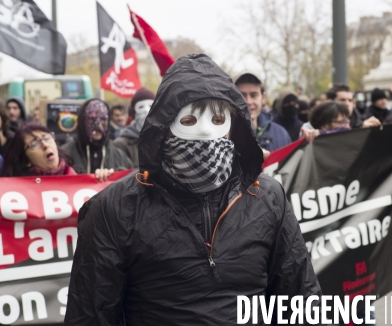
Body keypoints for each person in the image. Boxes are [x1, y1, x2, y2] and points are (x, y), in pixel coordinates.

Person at [65, 54, 321, 325]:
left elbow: (300, 300)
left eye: (217, 118)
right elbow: (91, 313)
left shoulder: (267, 196)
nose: (205, 134)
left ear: (234, 125)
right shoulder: (115, 208)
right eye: (188, 121)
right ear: (164, 126)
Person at [61, 98, 132, 175]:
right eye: (91, 119)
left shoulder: (119, 157)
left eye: (103, 119)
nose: (98, 125)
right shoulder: (66, 154)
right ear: (82, 121)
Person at [234, 72, 292, 156]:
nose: (248, 102)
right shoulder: (221, 136)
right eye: (241, 96)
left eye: (254, 95)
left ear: (263, 97)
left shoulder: (281, 134)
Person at [0, 123, 76, 177]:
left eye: (46, 137)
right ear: (26, 161)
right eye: (35, 144)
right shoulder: (16, 192)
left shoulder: (79, 181)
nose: (45, 145)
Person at [113, 88, 155, 167]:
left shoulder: (165, 141)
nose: (146, 110)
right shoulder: (121, 144)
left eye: (150, 106)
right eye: (141, 107)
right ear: (133, 112)